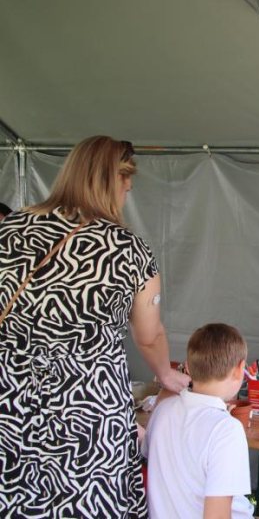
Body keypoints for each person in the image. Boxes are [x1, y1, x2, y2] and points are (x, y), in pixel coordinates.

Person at [0, 136, 190, 517]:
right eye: (126, 188)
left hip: (12, 397)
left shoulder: (10, 229)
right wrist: (164, 374)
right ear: (112, 183)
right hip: (88, 404)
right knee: (90, 499)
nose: (124, 199)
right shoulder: (128, 249)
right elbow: (148, 335)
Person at [142, 323, 254, 519]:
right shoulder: (227, 430)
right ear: (240, 370)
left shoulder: (162, 411)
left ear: (188, 368)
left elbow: (147, 454)